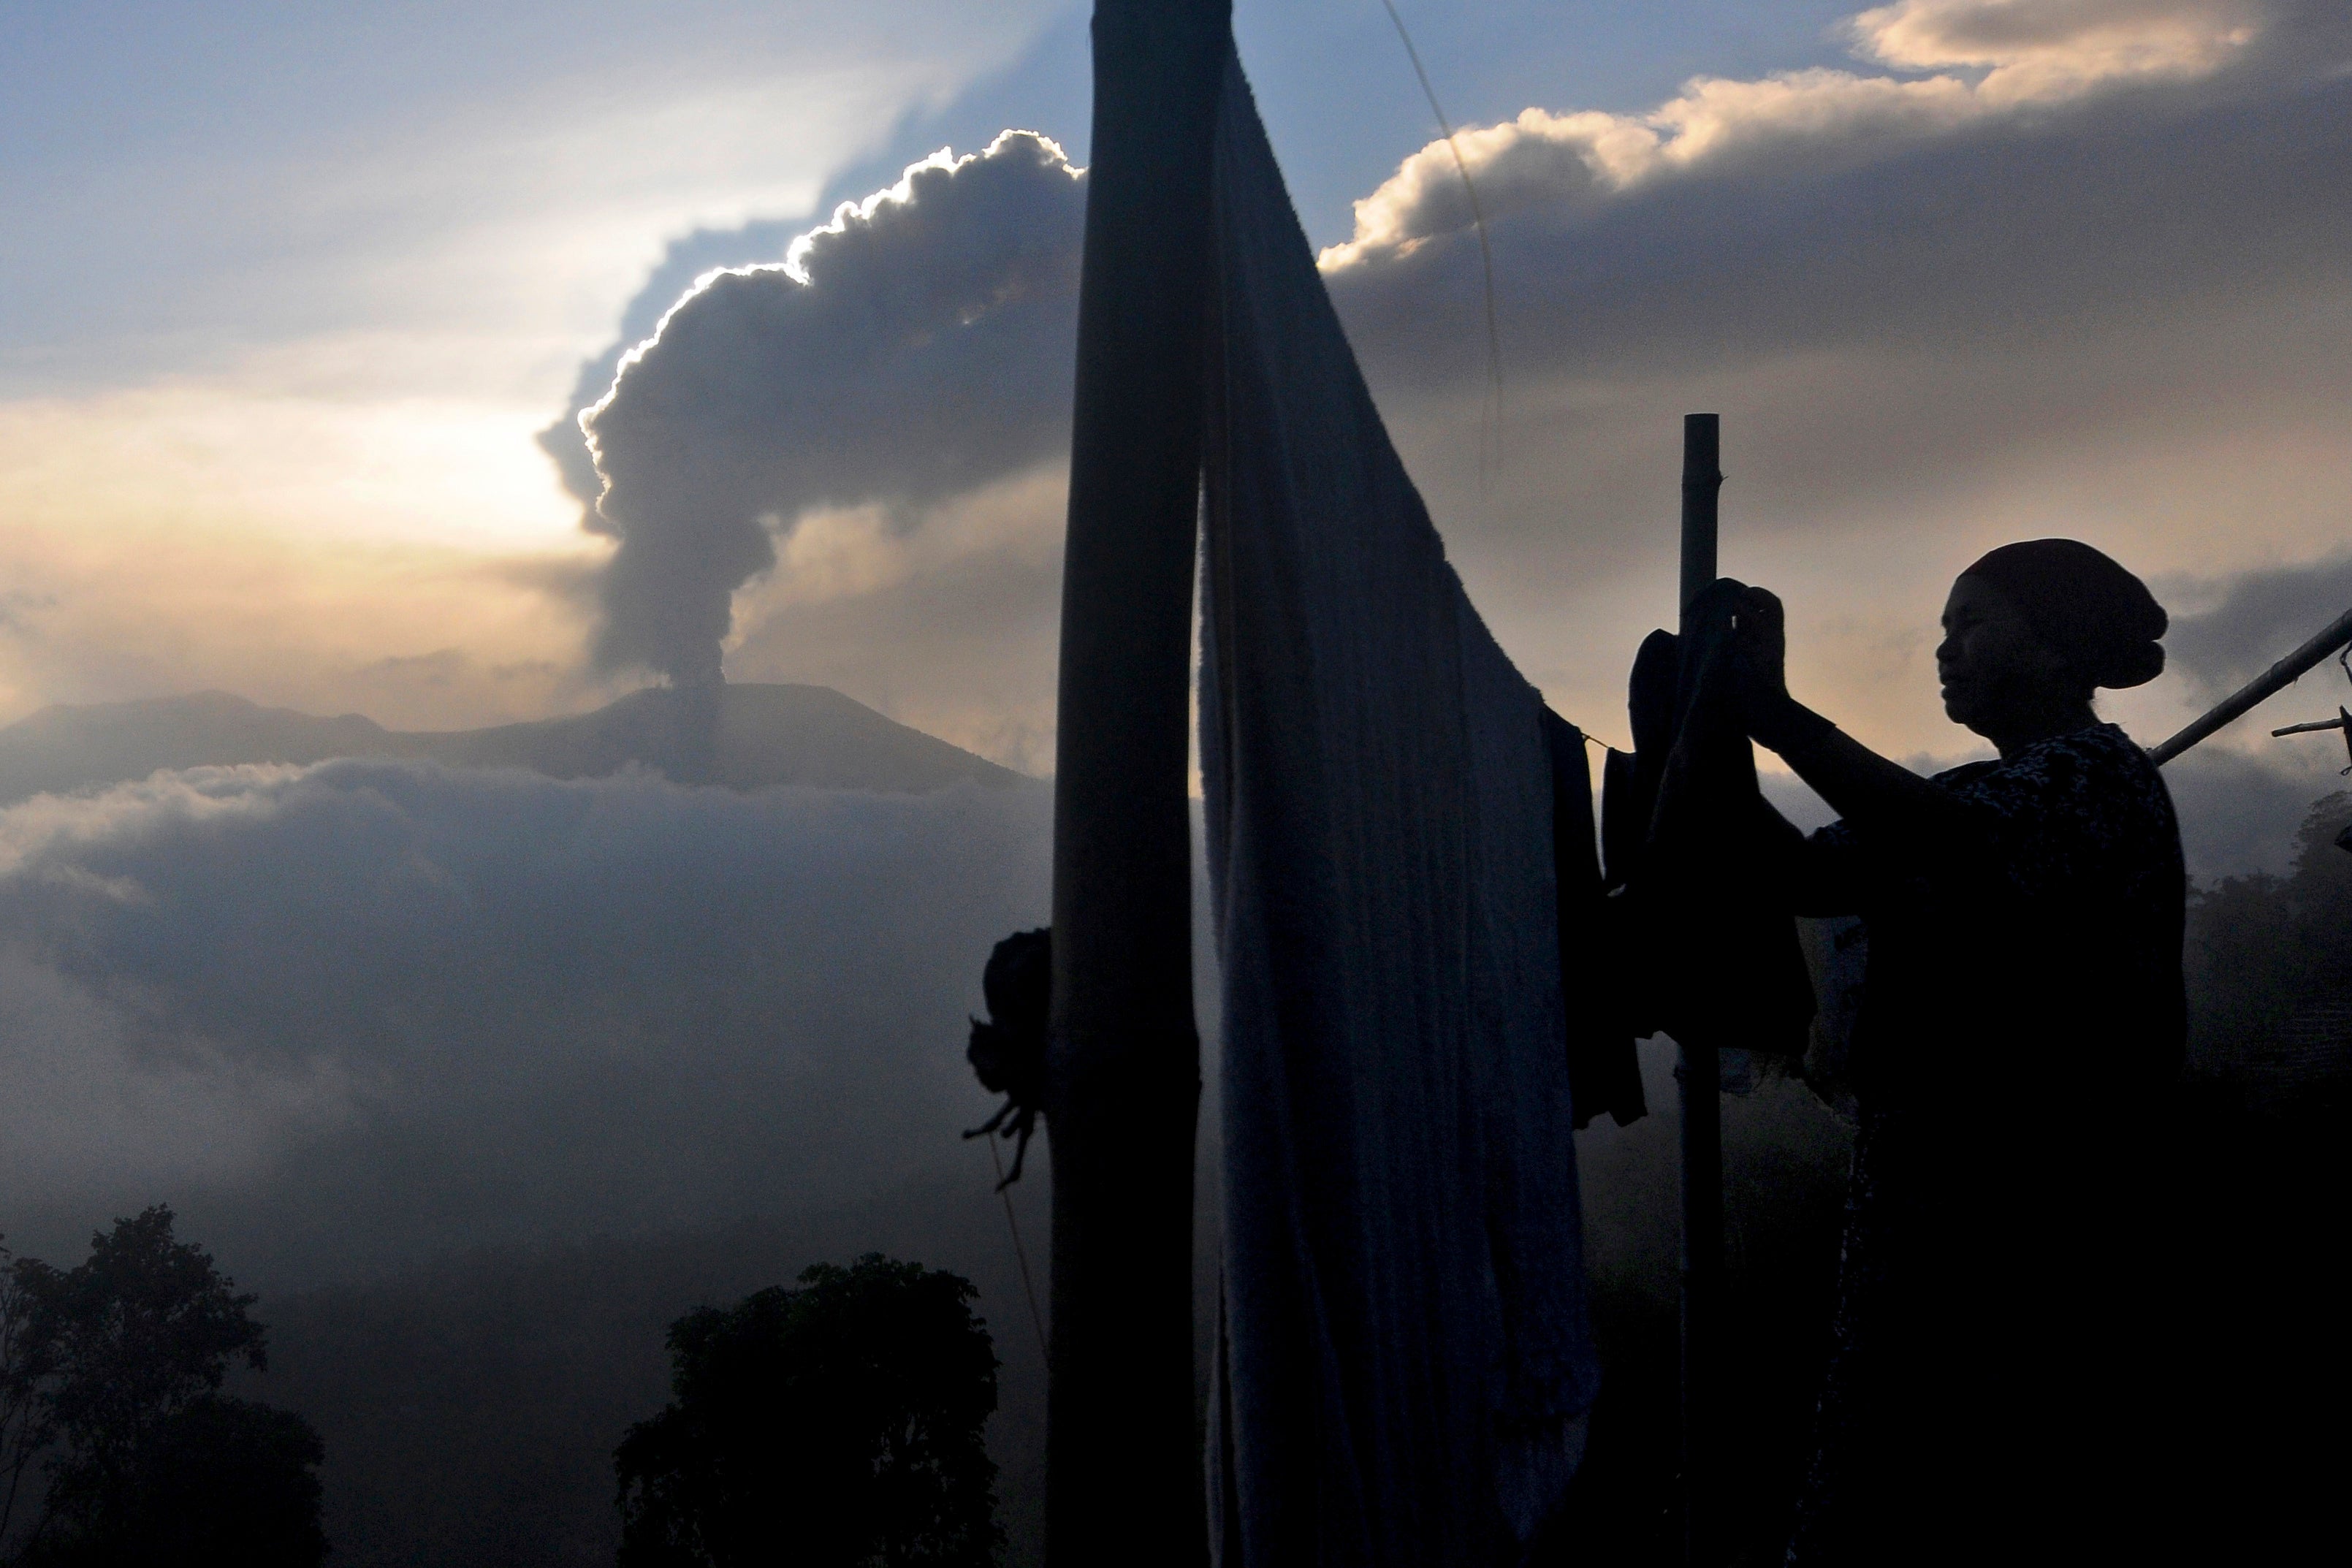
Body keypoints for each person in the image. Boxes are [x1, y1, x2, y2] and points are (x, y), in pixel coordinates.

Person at [1724, 539, 2187, 1564]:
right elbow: (1805, 873)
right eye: (1941, 630)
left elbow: (1941, 838)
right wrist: (1712, 727)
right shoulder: (1985, 794)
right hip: (1930, 1241)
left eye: (1972, 623)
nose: (1945, 651)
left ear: (2063, 649)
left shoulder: (2090, 781)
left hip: (2042, 1250)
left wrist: (1779, 712)